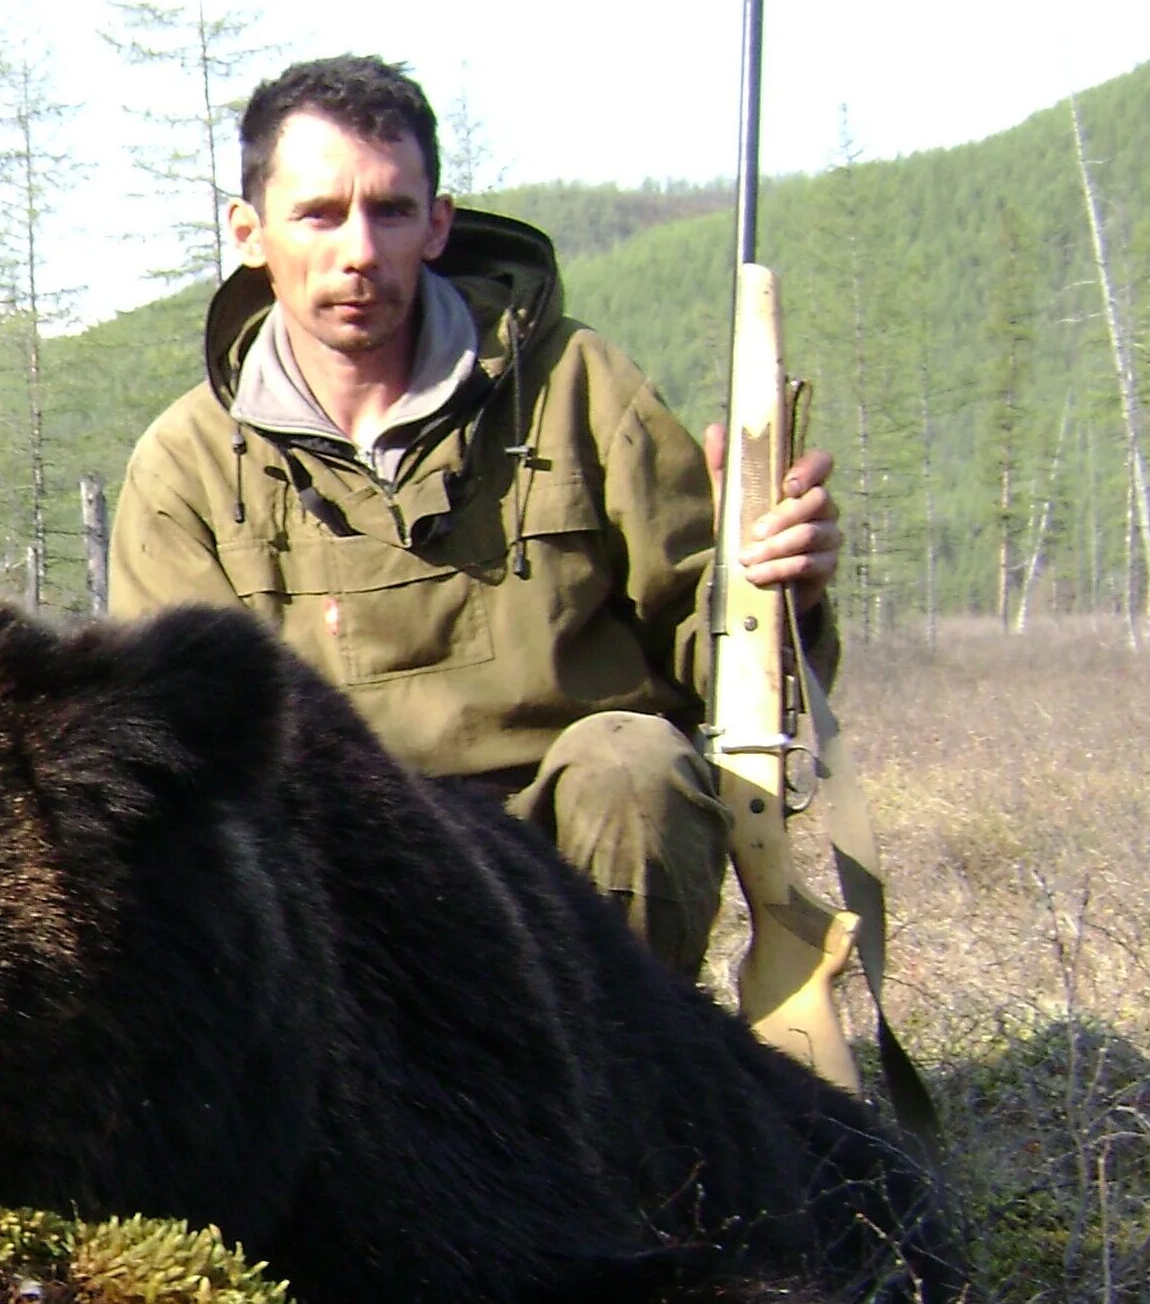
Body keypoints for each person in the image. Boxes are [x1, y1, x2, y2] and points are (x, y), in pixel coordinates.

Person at [111, 55, 842, 981]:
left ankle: (625, 1104)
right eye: (318, 215)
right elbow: (178, 759)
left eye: (390, 210)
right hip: (341, 885)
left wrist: (782, 594)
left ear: (438, 223)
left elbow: (718, 661)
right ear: (250, 232)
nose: (359, 252)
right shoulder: (188, 466)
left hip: (571, 874)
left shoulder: (582, 392)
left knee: (635, 765)